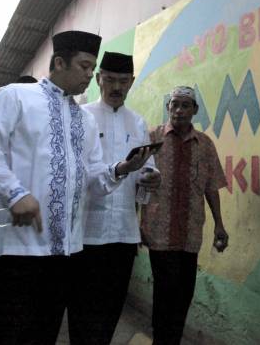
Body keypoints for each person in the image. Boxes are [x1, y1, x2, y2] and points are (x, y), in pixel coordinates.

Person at [0, 30, 154, 345]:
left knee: (44, 330)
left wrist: (121, 169)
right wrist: (15, 193)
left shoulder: (84, 120)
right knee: (7, 331)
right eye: (84, 66)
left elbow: (93, 178)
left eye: (92, 69)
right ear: (60, 62)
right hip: (18, 244)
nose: (89, 76)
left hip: (66, 249)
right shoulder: (17, 96)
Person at [68, 51, 161, 344]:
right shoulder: (81, 116)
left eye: (123, 81)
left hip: (123, 232)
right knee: (82, 306)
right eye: (110, 79)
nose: (116, 87)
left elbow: (147, 167)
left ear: (131, 82)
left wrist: (151, 177)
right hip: (86, 232)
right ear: (98, 79)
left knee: (112, 306)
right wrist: (121, 169)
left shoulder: (138, 122)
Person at [141, 86, 229, 345]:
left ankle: (172, 340)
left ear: (195, 110)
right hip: (159, 231)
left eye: (185, 105)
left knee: (184, 294)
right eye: (174, 104)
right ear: (168, 107)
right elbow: (136, 183)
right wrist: (135, 224)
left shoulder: (205, 144)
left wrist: (219, 225)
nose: (179, 110)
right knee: (165, 292)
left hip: (191, 233)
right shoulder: (152, 138)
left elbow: (211, 187)